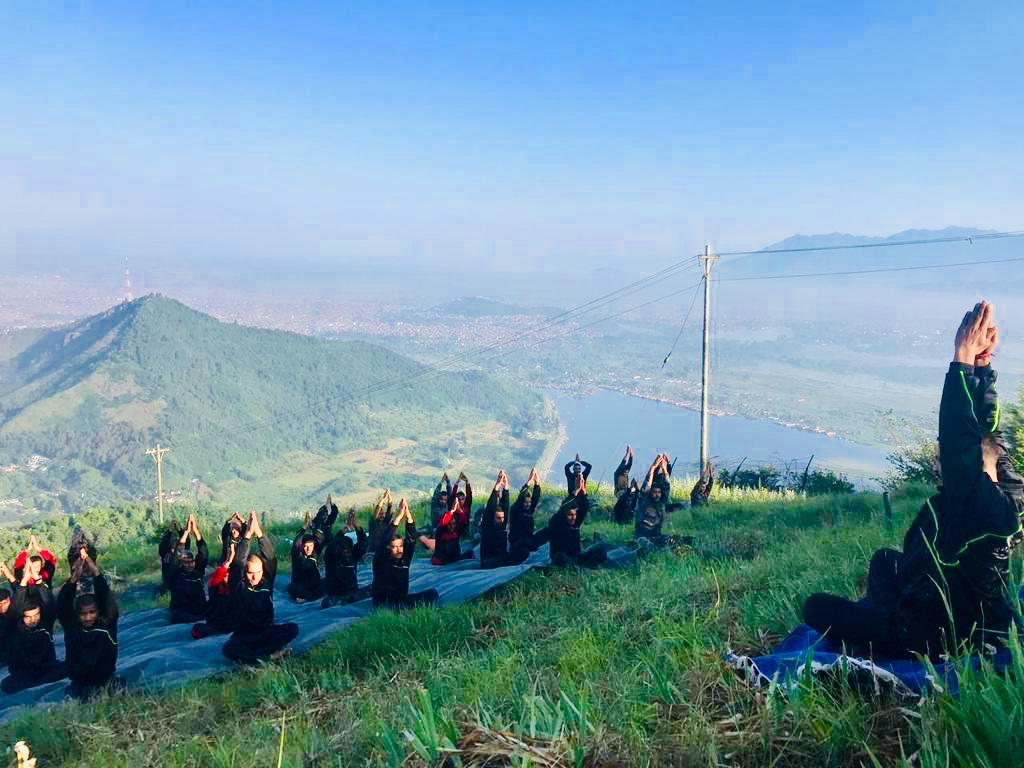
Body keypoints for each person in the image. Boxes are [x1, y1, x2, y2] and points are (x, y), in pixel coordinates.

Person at [803, 302, 1024, 659]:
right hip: (955, 602)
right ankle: (883, 616)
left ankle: (882, 632)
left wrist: (961, 359)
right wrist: (982, 369)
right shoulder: (1007, 493)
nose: (939, 459)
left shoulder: (976, 501)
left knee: (816, 608)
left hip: (930, 632)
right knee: (884, 561)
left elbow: (959, 441)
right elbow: (985, 431)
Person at [222, 511, 299, 664]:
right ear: (245, 573)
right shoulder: (239, 586)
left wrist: (259, 534)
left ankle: (257, 656)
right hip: (245, 636)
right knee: (228, 649)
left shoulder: (266, 583)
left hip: (265, 633)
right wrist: (247, 537)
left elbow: (270, 558)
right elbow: (237, 565)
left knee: (293, 628)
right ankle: (270, 656)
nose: (255, 576)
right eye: (251, 573)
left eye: (258, 572)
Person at [57, 545, 123, 701]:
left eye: (92, 612)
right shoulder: (72, 628)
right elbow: (63, 605)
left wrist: (94, 569)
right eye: (83, 614)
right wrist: (74, 578)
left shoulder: (106, 625)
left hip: (105, 681)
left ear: (98, 612)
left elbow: (105, 596)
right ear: (77, 615)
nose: (88, 617)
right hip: (81, 684)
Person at [2, 572, 66, 693]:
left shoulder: (45, 624)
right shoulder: (14, 628)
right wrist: (23, 582)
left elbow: (49, 602)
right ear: (22, 617)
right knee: (6, 685)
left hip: (47, 670)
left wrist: (38, 580)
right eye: (28, 617)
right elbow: (15, 607)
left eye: (36, 615)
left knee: (70, 665)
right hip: (25, 674)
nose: (33, 620)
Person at [372, 499, 438, 609]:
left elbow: (411, 540)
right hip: (384, 604)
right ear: (388, 548)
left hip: (401, 601)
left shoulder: (404, 559)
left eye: (400, 546)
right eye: (394, 547)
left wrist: (408, 517)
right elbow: (384, 541)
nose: (398, 550)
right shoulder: (381, 560)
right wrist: (397, 518)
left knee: (432, 593)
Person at [549, 473, 610, 568]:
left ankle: (578, 566)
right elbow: (563, 508)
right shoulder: (557, 523)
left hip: (576, 557)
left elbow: (584, 508)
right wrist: (575, 492)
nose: (573, 517)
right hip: (562, 557)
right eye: (570, 515)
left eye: (574, 514)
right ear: (564, 515)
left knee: (601, 551)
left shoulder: (575, 523)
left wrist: (583, 491)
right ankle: (576, 567)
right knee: (559, 557)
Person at [480, 471, 531, 569]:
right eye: (498, 518)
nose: (501, 520)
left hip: (502, 558)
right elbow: (490, 507)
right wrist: (496, 486)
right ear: (493, 518)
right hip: (489, 561)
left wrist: (506, 487)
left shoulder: (502, 524)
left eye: (502, 518)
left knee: (524, 552)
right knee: (497, 561)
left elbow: (506, 506)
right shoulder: (487, 526)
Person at [420, 472, 474, 565]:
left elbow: (468, 496)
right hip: (439, 531)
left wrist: (467, 482)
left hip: (456, 542)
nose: (460, 501)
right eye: (458, 499)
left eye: (462, 499)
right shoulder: (443, 512)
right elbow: (450, 495)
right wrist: (452, 511)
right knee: (426, 538)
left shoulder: (463, 513)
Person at [164, 514, 209, 624]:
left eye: (191, 562)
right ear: (181, 563)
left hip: (199, 608)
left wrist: (196, 532)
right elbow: (177, 555)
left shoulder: (197, 571)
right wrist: (186, 532)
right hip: (182, 610)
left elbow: (203, 553)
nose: (189, 565)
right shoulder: (175, 574)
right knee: (178, 617)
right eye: (186, 562)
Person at [321, 508, 371, 607]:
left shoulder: (353, 556)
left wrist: (356, 526)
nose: (346, 550)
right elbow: (332, 544)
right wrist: (344, 529)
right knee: (327, 603)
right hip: (334, 595)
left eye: (348, 548)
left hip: (351, 593)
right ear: (338, 549)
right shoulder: (331, 558)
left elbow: (363, 543)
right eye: (343, 548)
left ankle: (348, 601)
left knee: (372, 589)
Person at [634, 455, 686, 548]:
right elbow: (646, 486)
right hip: (642, 537)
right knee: (647, 546)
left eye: (659, 492)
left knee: (676, 540)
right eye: (654, 492)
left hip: (656, 536)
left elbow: (666, 487)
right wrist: (653, 468)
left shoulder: (661, 503)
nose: (657, 494)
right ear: (651, 493)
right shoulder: (644, 502)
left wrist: (664, 469)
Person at [191, 539, 238, 639]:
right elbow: (218, 574)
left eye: (229, 575)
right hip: (215, 624)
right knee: (196, 629)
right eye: (226, 574)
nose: (227, 576)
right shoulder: (214, 586)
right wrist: (228, 561)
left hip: (229, 625)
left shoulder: (236, 589)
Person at [287, 512, 326, 602]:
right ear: (302, 546)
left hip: (315, 585)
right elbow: (296, 544)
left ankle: (309, 597)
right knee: (291, 587)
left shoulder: (315, 553)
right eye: (305, 546)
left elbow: (321, 538)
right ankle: (309, 597)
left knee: (327, 581)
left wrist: (312, 526)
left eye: (310, 546)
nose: (308, 549)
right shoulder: (298, 555)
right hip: (301, 586)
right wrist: (304, 528)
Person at [509, 468, 546, 552]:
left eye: (529, 502)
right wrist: (529, 482)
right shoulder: (515, 510)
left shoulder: (529, 511)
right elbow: (520, 498)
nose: (528, 504)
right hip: (517, 542)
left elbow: (535, 498)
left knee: (548, 530)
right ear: (521, 502)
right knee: (524, 545)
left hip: (529, 540)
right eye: (526, 502)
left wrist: (537, 483)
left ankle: (532, 546)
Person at [368, 489, 395, 557]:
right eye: (380, 514)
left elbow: (389, 506)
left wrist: (389, 496)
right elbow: (377, 510)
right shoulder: (373, 522)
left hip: (384, 549)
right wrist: (383, 498)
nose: (382, 515)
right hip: (373, 550)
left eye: (383, 514)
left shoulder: (386, 521)